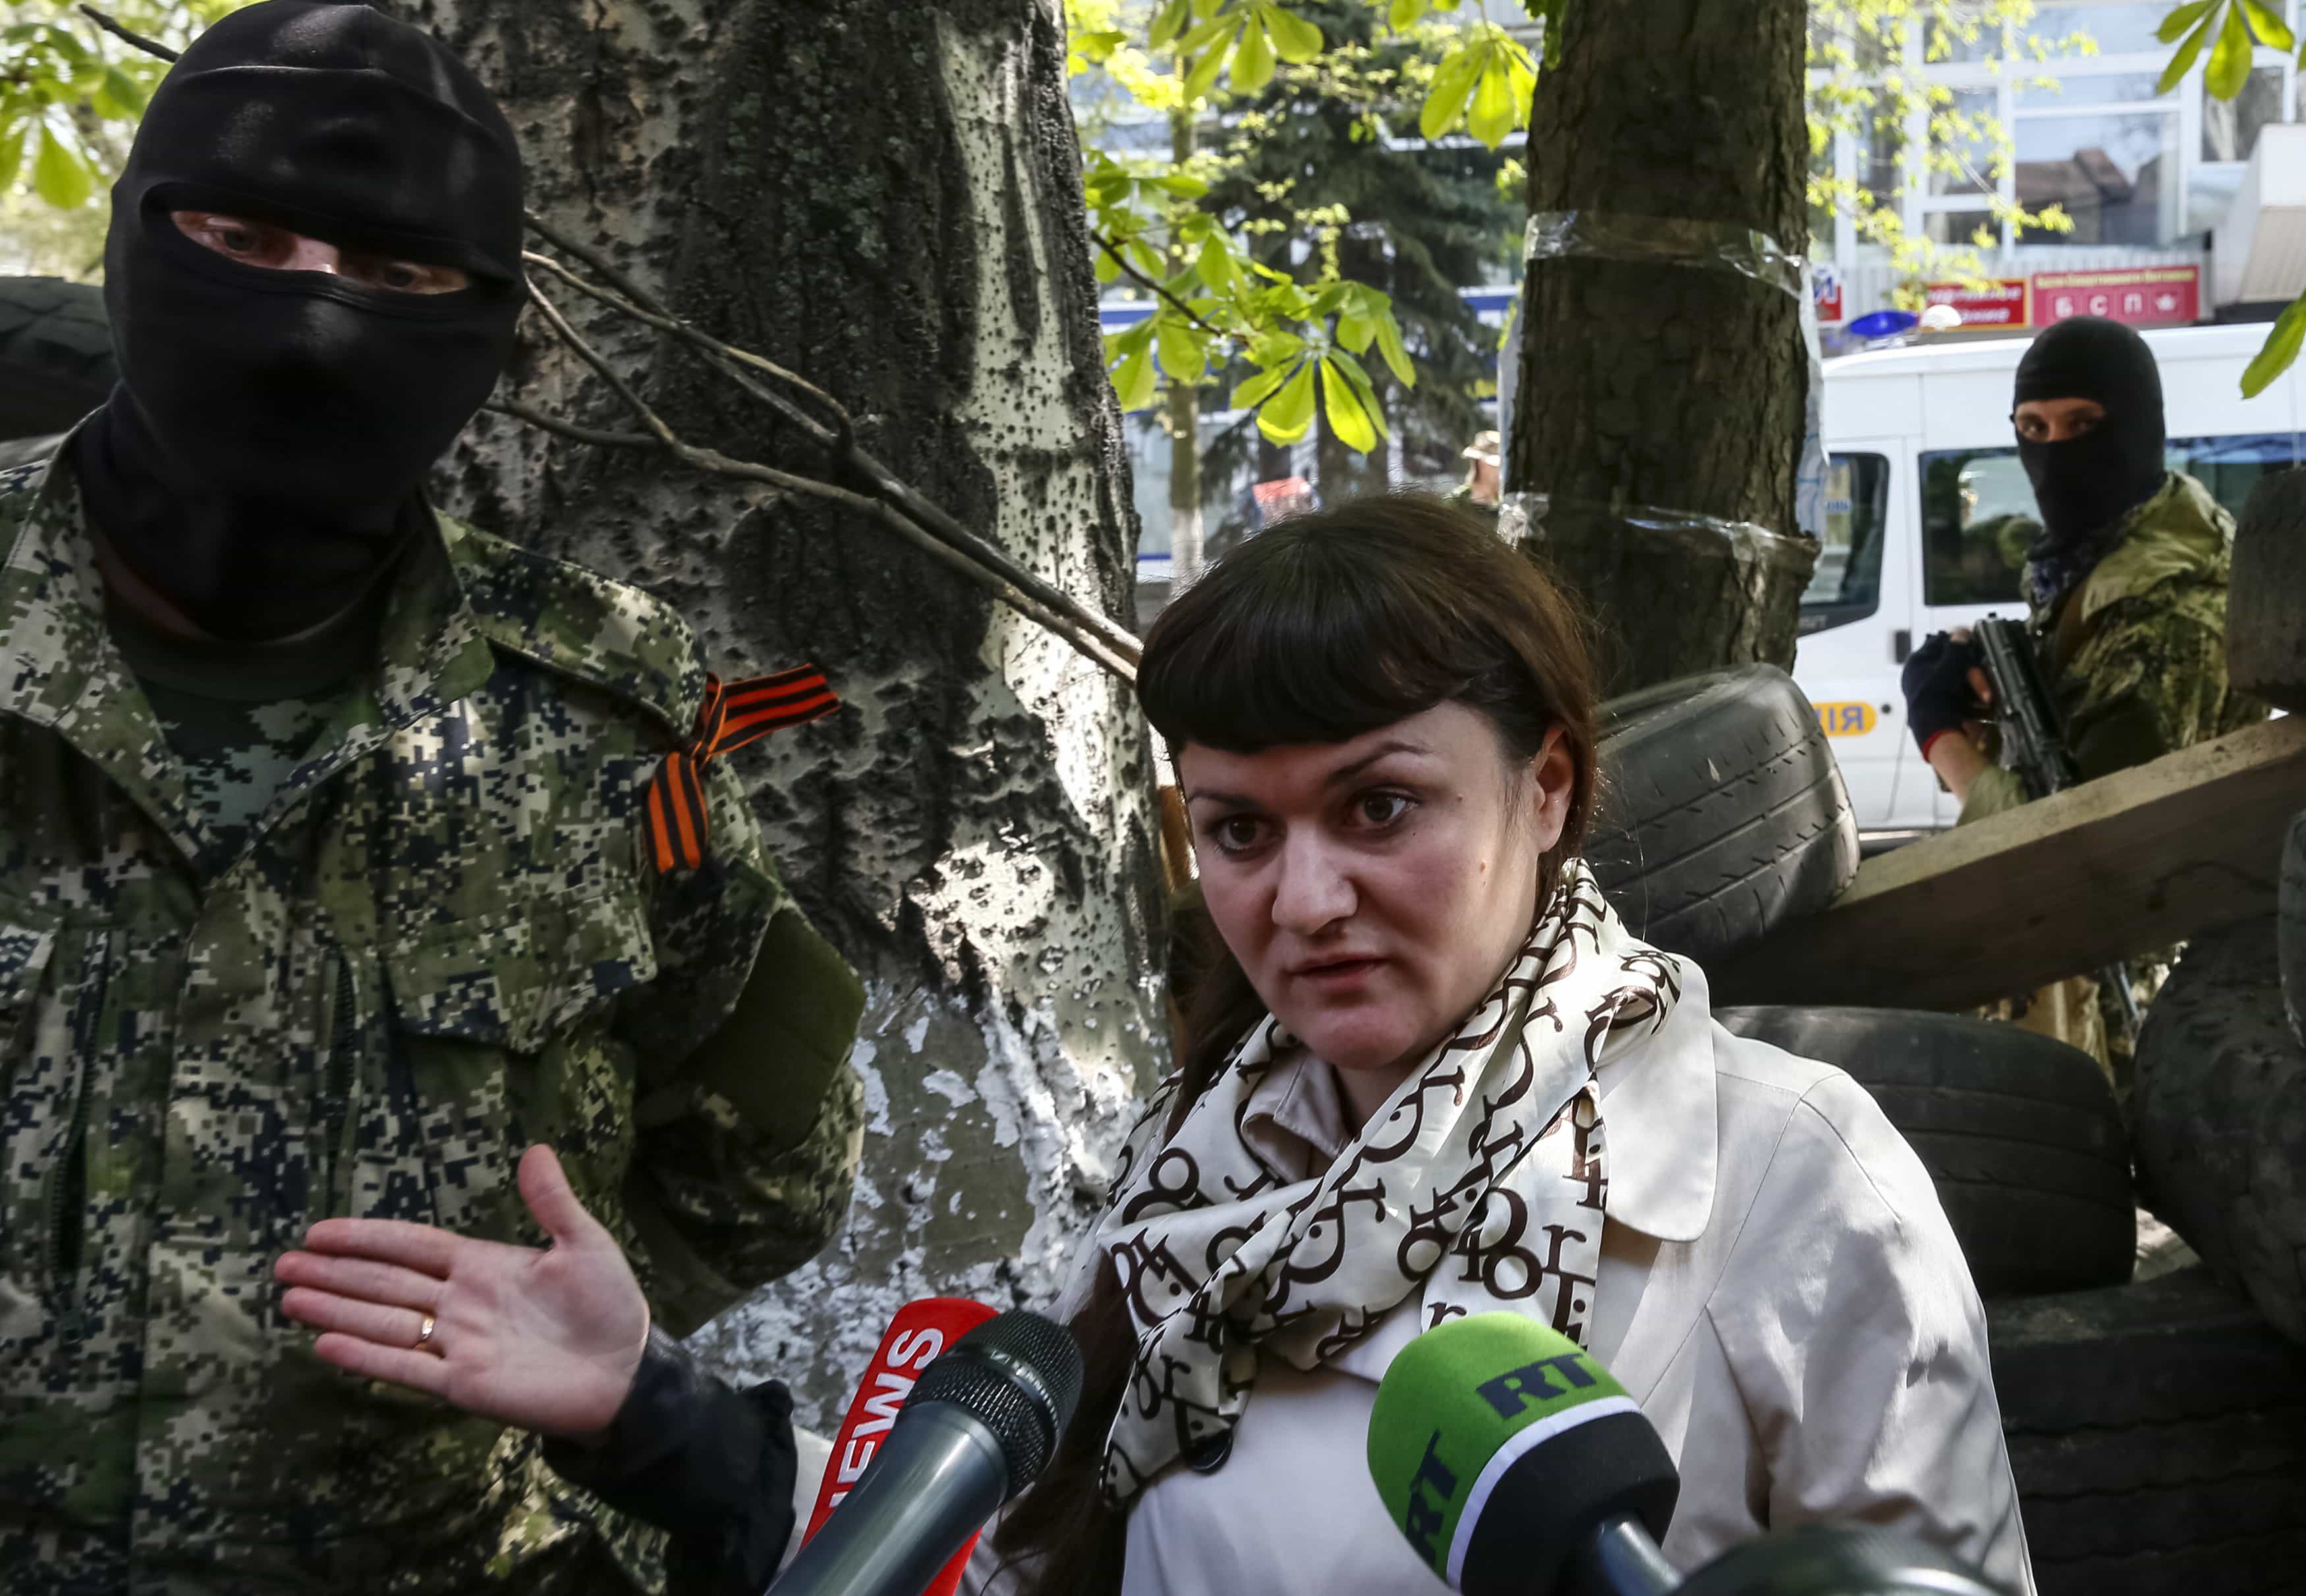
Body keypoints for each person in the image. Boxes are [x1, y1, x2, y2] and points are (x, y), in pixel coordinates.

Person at [265, 498, 2035, 1596]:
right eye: (1239, 829)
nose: (1307, 893)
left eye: (1382, 803)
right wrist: (650, 1409)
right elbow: (1014, 1552)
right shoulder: (1198, 1179)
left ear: (1549, 783)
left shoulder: (1787, 1178)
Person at [0, 4, 864, 1591]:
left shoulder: (608, 712)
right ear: (134, 244)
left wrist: (548, 1361)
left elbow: (770, 1143)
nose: (312, 314)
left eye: (396, 279)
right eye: (242, 237)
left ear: (487, 327)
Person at [1900, 316, 2267, 1073]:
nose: (2054, 451)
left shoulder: (2166, 608)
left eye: (2082, 425)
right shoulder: (2097, 563)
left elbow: (2083, 859)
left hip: (2132, 1015)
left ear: (2135, 427)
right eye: (2032, 427)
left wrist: (1942, 738)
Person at [1448, 428, 1502, 509]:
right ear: (1482, 464)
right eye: (1497, 466)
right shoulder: (1453, 504)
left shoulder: (1506, 508)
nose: (1501, 472)